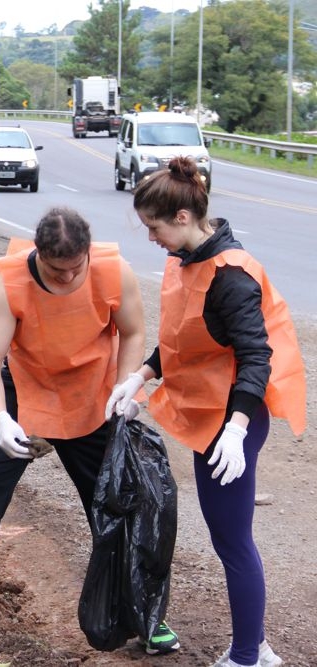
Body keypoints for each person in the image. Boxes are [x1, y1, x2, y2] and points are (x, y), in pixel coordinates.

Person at [0, 207, 182, 656]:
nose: (65, 279)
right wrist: (1, 417)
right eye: (55, 271)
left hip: (93, 396)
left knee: (122, 502)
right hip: (25, 390)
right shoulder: (12, 284)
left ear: (87, 253)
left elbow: (134, 333)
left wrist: (124, 389)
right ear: (38, 255)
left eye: (74, 269)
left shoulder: (113, 272)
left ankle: (145, 615)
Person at [105, 157, 306, 667]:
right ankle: (253, 647)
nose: (150, 238)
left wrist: (237, 430)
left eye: (153, 227)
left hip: (232, 418)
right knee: (226, 535)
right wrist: (140, 378)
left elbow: (257, 356)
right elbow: (182, 341)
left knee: (232, 539)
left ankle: (249, 655)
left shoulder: (232, 275)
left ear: (181, 218)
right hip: (209, 412)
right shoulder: (186, 259)